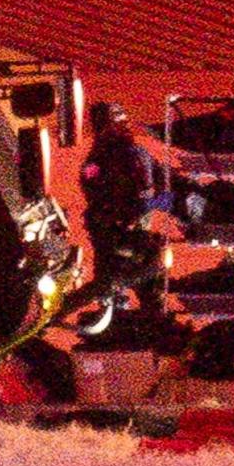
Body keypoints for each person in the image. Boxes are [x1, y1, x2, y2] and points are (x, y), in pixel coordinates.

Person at [77, 101, 165, 328]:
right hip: (114, 227)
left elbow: (159, 181)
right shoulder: (99, 157)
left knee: (146, 276)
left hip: (132, 226)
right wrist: (113, 216)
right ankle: (117, 313)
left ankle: (149, 318)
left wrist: (155, 205)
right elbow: (90, 184)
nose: (123, 125)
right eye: (115, 121)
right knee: (115, 276)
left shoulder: (135, 153)